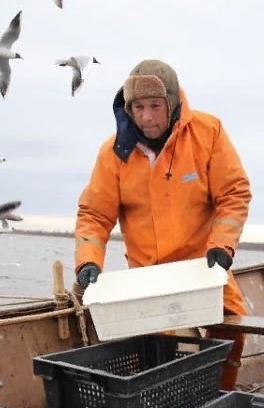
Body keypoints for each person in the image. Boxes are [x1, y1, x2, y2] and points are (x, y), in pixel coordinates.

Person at [73, 59, 251, 390]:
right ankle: (165, 399)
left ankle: (219, 396)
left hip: (204, 266)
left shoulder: (208, 132)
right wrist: (88, 261)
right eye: (138, 107)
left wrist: (223, 245)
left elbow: (233, 193)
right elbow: (94, 215)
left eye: (155, 106)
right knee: (157, 349)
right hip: (147, 276)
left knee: (232, 326)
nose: (146, 117)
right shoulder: (113, 153)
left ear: (171, 102)